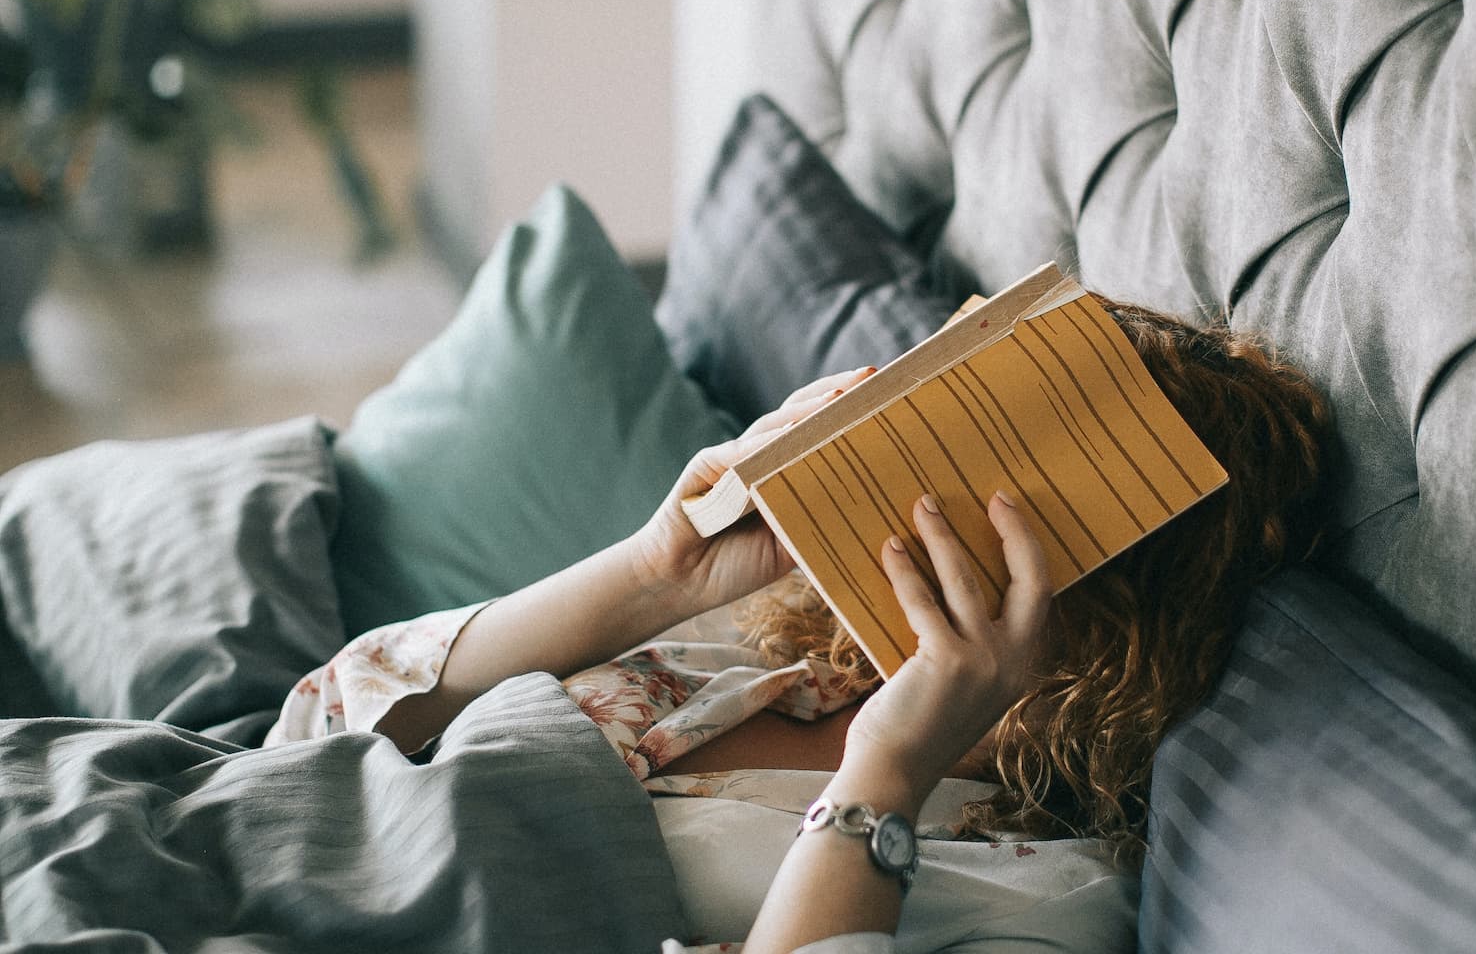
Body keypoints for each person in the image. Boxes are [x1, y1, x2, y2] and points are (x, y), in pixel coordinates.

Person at [266, 295, 1333, 953]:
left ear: (1118, 611)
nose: (917, 493)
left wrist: (887, 768)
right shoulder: (781, 650)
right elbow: (331, 718)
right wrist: (653, 574)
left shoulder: (1043, 897)